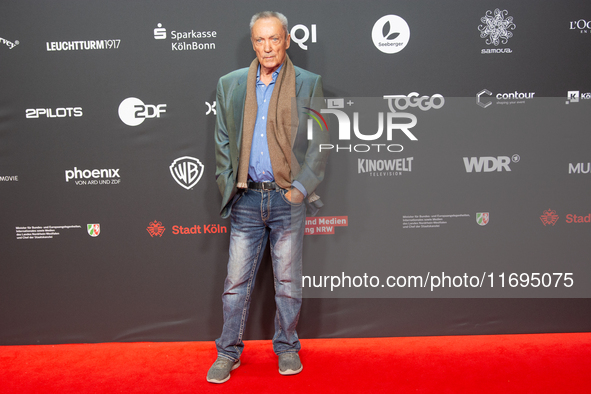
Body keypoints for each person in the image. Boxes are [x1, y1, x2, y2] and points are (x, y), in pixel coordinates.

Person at [207, 11, 328, 384]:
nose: (267, 47)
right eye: (260, 40)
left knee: (288, 282)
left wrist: (300, 188)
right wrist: (230, 182)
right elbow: (223, 139)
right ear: (253, 43)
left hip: (286, 199)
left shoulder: (308, 83)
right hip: (246, 199)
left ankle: (287, 347)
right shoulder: (231, 85)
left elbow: (321, 141)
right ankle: (228, 352)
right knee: (234, 284)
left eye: (274, 39)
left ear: (287, 40)